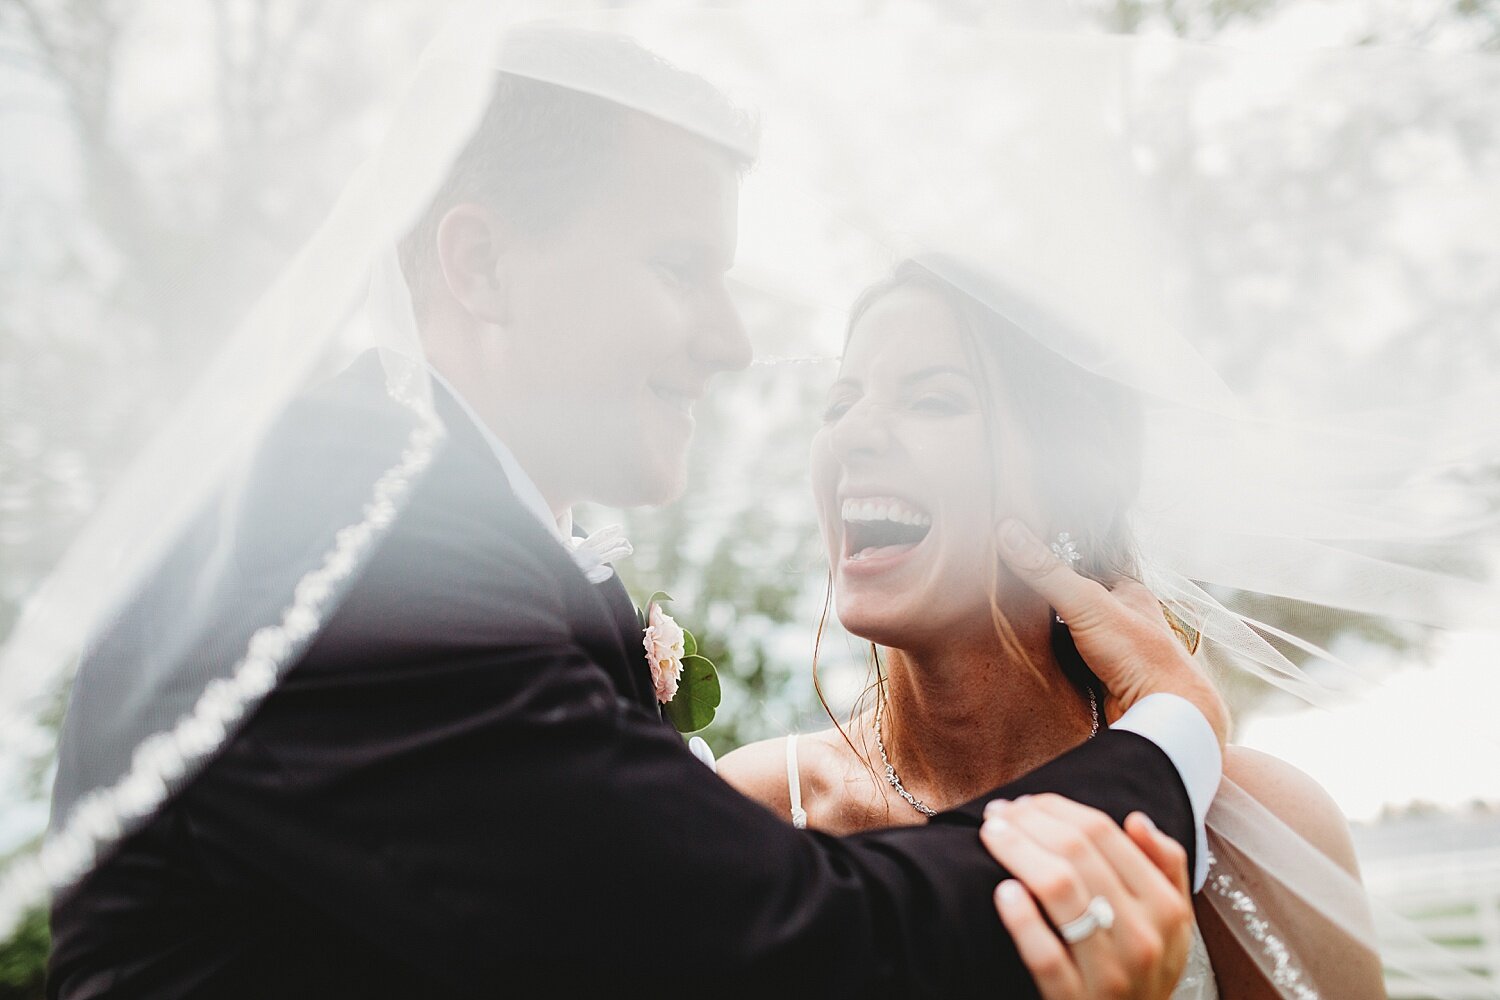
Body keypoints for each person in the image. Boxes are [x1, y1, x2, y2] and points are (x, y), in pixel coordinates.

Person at [39, 28, 1231, 999]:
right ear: (483, 266)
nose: (732, 341)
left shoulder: (471, 543)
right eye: (679, 267)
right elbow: (777, 949)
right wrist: (1174, 735)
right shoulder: (357, 556)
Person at [718, 259, 1389, 999]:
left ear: (1068, 487)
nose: (852, 438)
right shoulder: (755, 808)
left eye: (934, 401)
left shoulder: (1256, 825)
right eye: (840, 405)